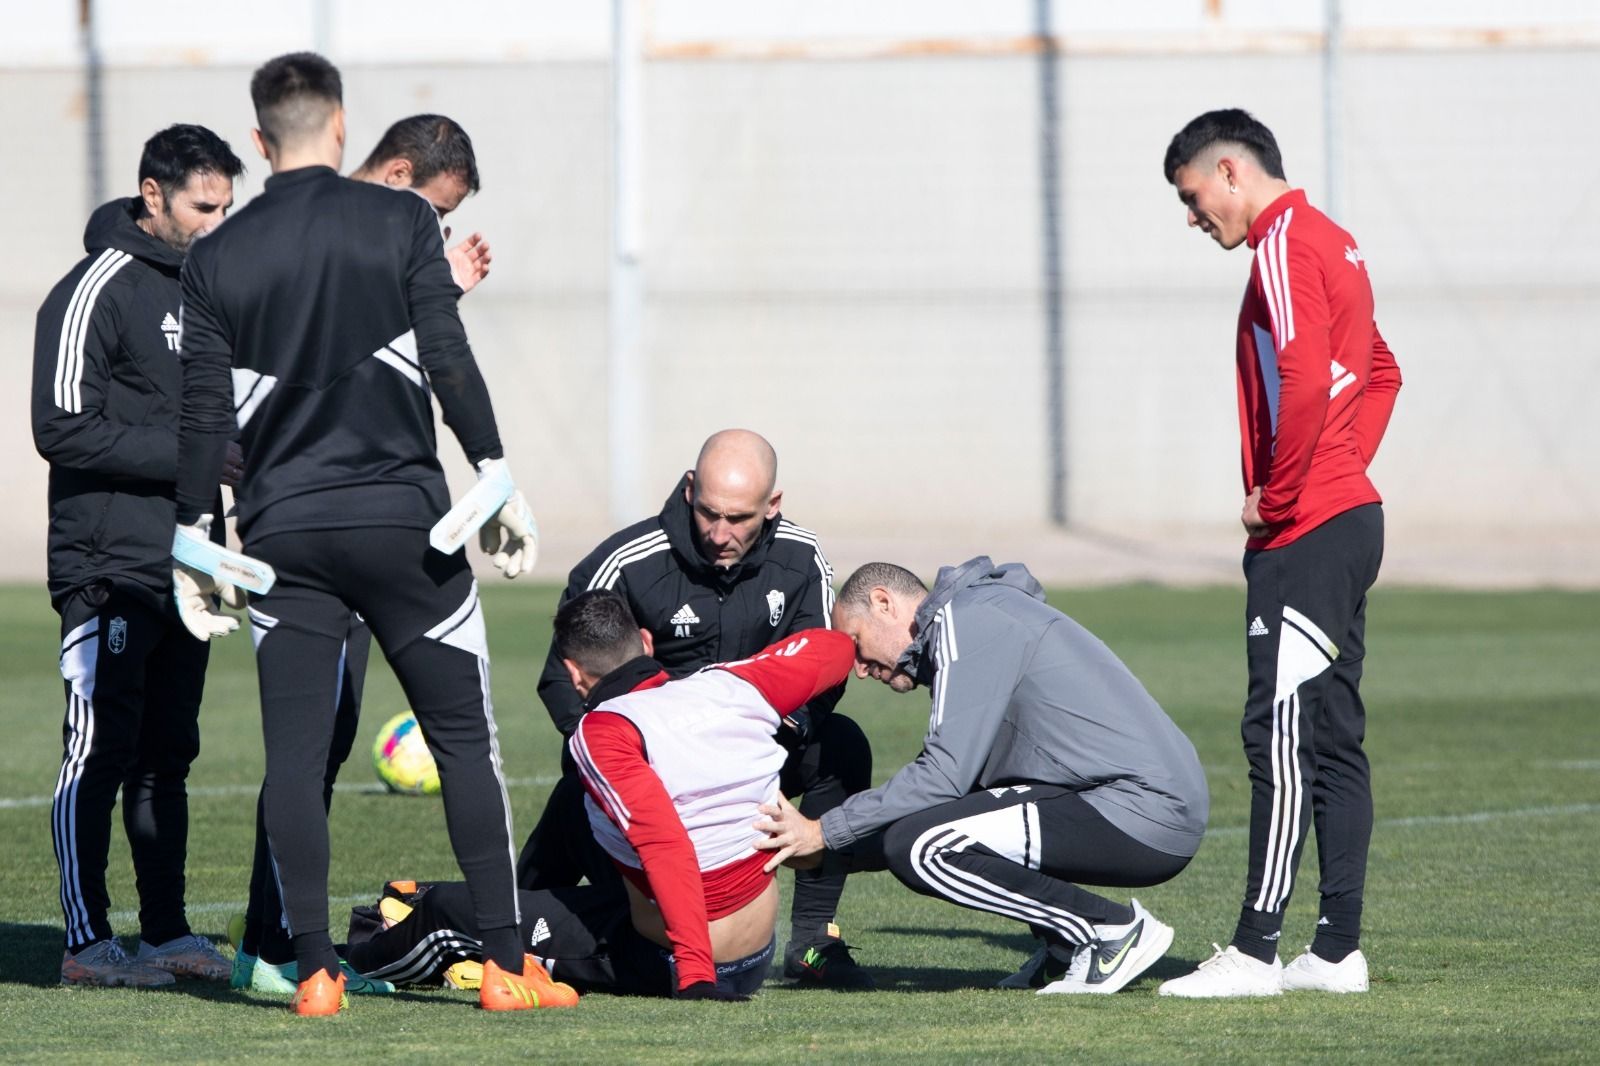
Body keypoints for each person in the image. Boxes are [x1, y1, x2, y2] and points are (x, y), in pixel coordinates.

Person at [172, 52, 543, 1016]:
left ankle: (315, 975)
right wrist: (493, 468)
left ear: (258, 142)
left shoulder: (215, 254)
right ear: (341, 128)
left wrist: (187, 535)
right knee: (466, 741)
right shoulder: (404, 221)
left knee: (292, 759)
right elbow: (445, 356)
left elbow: (205, 417)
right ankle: (506, 969)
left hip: (283, 538)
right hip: (404, 528)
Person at [231, 111, 496, 998]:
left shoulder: (331, 239)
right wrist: (436, 294)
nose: (438, 229)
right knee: (336, 742)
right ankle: (277, 943)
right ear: (394, 179)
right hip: (360, 520)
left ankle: (293, 955)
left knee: (311, 746)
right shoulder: (359, 241)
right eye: (435, 209)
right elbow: (332, 374)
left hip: (294, 528)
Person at [1155, 109, 1402, 998]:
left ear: (1229, 171)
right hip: (1346, 516)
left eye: (1192, 197)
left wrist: (1289, 493)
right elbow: (1382, 372)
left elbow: (1302, 371)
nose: (1193, 218)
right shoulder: (1336, 240)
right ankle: (1337, 951)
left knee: (1281, 734)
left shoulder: (1282, 240)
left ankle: (1256, 952)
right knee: (1331, 732)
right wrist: (1344, 467)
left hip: (1308, 530)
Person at [346, 590, 855, 1000]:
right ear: (647, 643)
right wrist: (792, 662)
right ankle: (515, 909)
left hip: (680, 958)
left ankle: (353, 960)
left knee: (447, 914)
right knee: (577, 801)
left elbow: (664, 844)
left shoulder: (601, 731)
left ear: (573, 675)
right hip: (754, 947)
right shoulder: (729, 684)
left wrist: (696, 976)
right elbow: (831, 649)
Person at [520, 428, 875, 988]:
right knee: (576, 796)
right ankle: (508, 929)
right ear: (689, 490)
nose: (719, 533)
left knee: (844, 746)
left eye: (738, 518)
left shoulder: (802, 558)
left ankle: (813, 938)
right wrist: (615, 758)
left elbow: (818, 671)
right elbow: (562, 680)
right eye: (709, 513)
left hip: (755, 757)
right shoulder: (625, 563)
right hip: (648, 768)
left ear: (772, 506)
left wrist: (761, 750)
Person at [755, 558, 1210, 995]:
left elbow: (942, 777)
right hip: (1134, 801)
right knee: (926, 830)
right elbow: (952, 793)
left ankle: (1109, 931)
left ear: (884, 603)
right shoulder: (979, 616)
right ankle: (1064, 947)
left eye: (855, 642)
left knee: (923, 848)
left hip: (1145, 811)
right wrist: (827, 850)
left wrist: (824, 832)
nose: (857, 668)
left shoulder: (966, 621)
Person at [31, 124, 244, 988]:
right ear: (153, 196)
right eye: (204, 206)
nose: (217, 222)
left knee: (170, 755)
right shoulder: (94, 289)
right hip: (108, 565)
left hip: (188, 567)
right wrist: (195, 456)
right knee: (100, 752)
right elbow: (60, 427)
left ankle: (166, 932)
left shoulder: (213, 289)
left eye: (229, 206)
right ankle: (87, 942)